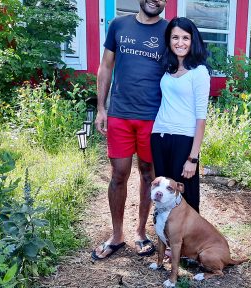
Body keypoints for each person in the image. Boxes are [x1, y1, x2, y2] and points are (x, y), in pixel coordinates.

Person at [91, 0, 168, 260]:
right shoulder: (118, 25)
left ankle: (141, 232)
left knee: (149, 175)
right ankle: (116, 236)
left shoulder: (169, 32)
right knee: (118, 175)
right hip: (121, 115)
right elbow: (105, 67)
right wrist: (102, 108)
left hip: (153, 118)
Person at [151, 17, 211, 213]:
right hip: (159, 136)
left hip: (184, 140)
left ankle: (189, 241)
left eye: (186, 37)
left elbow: (201, 118)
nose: (180, 42)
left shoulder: (199, 72)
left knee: (186, 196)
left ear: (193, 41)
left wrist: (192, 158)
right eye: (175, 37)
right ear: (169, 40)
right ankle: (166, 238)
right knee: (163, 194)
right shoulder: (168, 70)